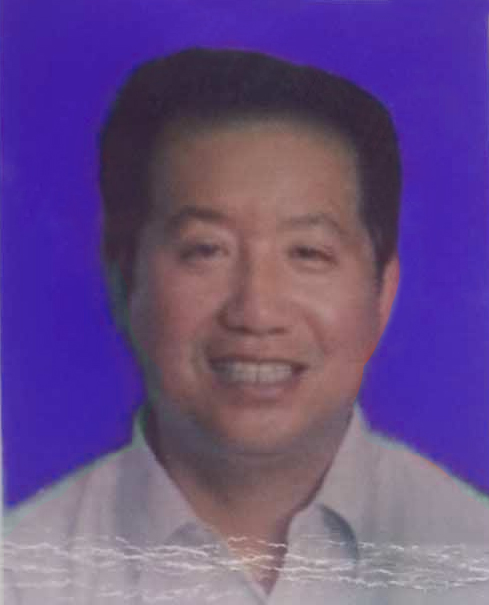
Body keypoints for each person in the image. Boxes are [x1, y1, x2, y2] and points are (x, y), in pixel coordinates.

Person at [3, 48, 489, 605]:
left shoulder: (473, 556)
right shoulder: (22, 575)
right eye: (206, 250)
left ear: (382, 292)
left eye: (307, 252)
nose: (256, 312)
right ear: (122, 279)